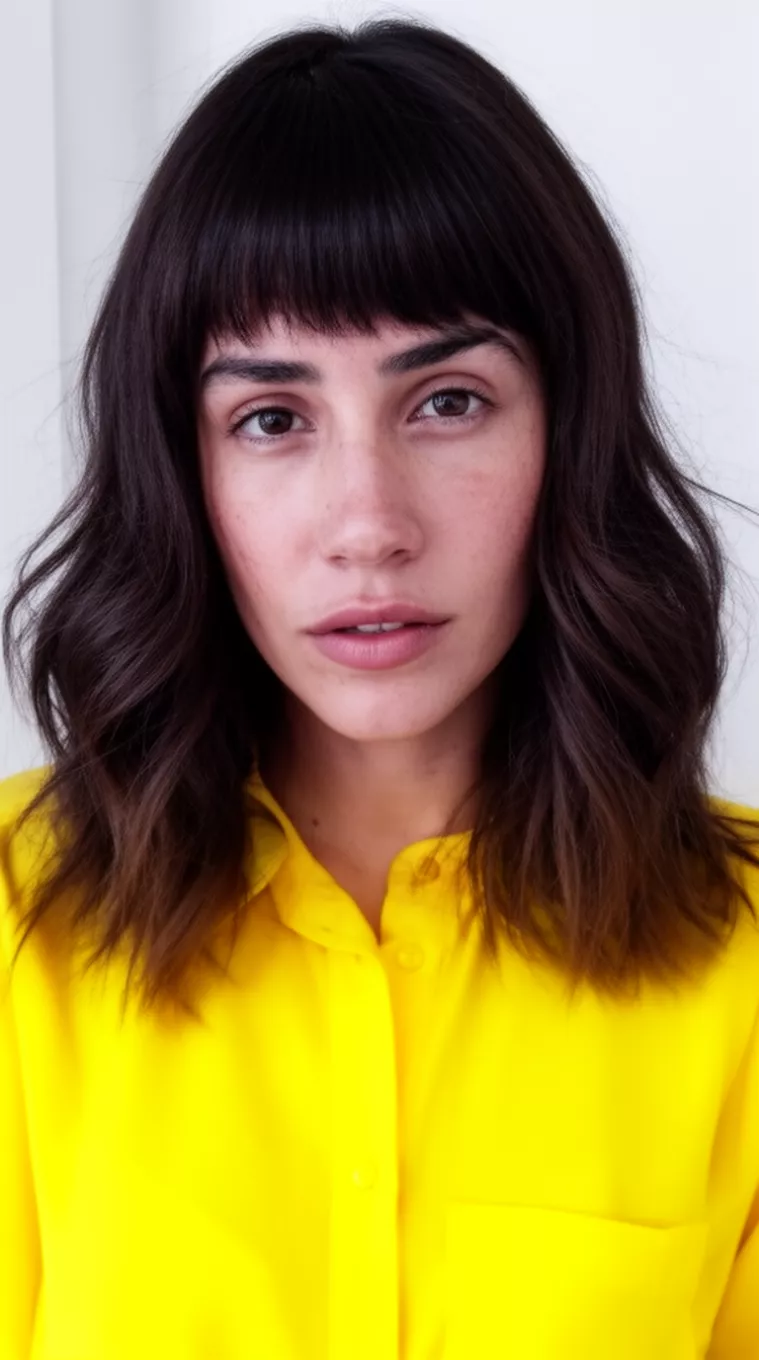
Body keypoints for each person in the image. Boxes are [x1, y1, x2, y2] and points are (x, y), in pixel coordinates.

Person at [1, 15, 758, 1359]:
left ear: (565, 432)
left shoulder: (744, 960)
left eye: (447, 401)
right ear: (186, 477)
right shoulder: (16, 922)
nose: (368, 523)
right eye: (272, 420)